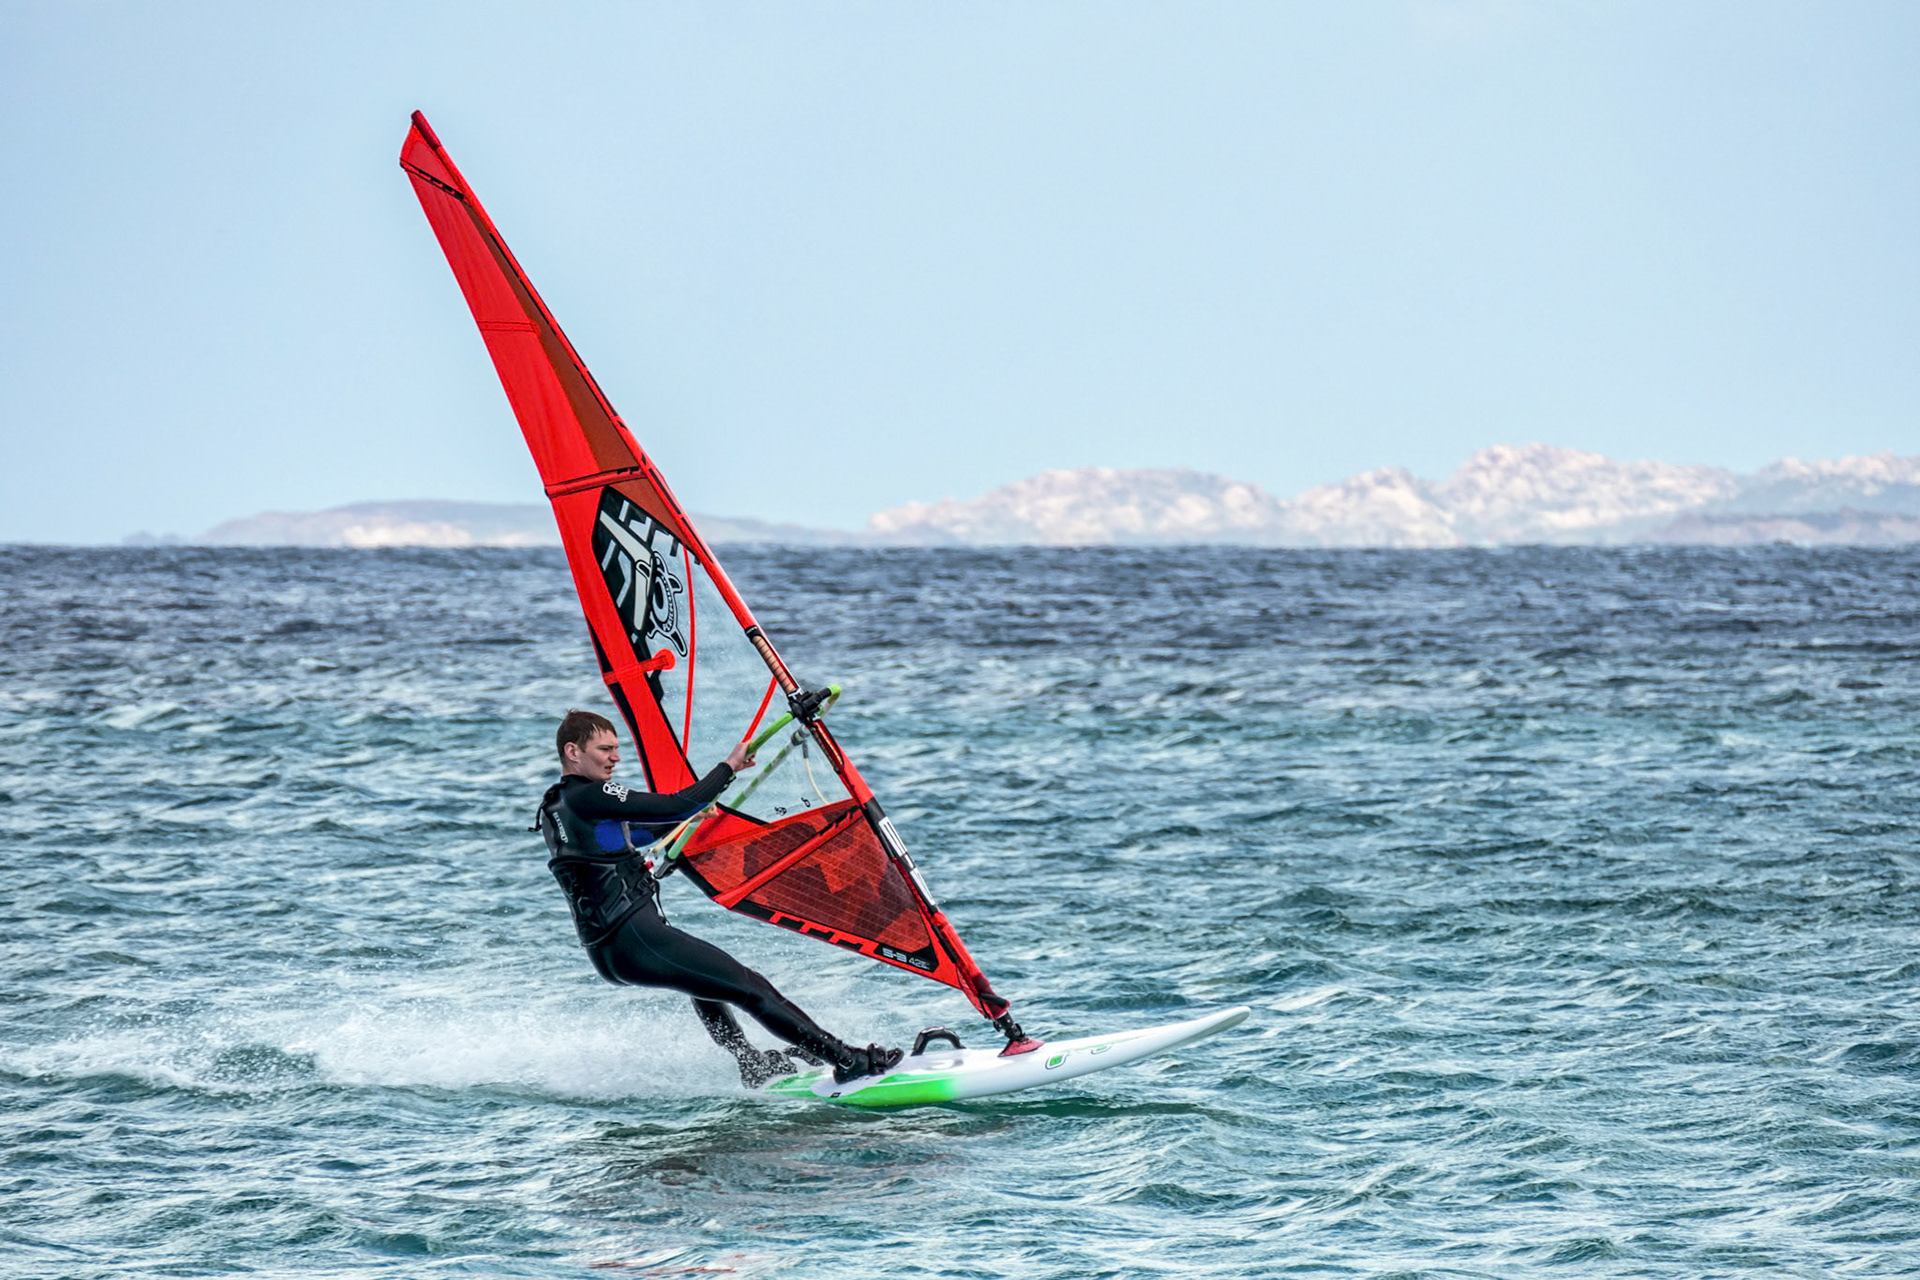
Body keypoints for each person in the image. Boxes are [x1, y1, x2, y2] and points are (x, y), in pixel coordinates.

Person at [534, 709, 903, 1087]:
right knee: (751, 988)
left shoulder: (557, 807)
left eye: (617, 748)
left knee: (705, 983)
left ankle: (749, 1061)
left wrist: (692, 817)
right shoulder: (592, 795)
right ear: (573, 752)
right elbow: (674, 804)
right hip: (635, 938)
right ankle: (847, 1060)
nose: (616, 757)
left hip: (610, 952)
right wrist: (728, 768)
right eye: (605, 749)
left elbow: (630, 836)